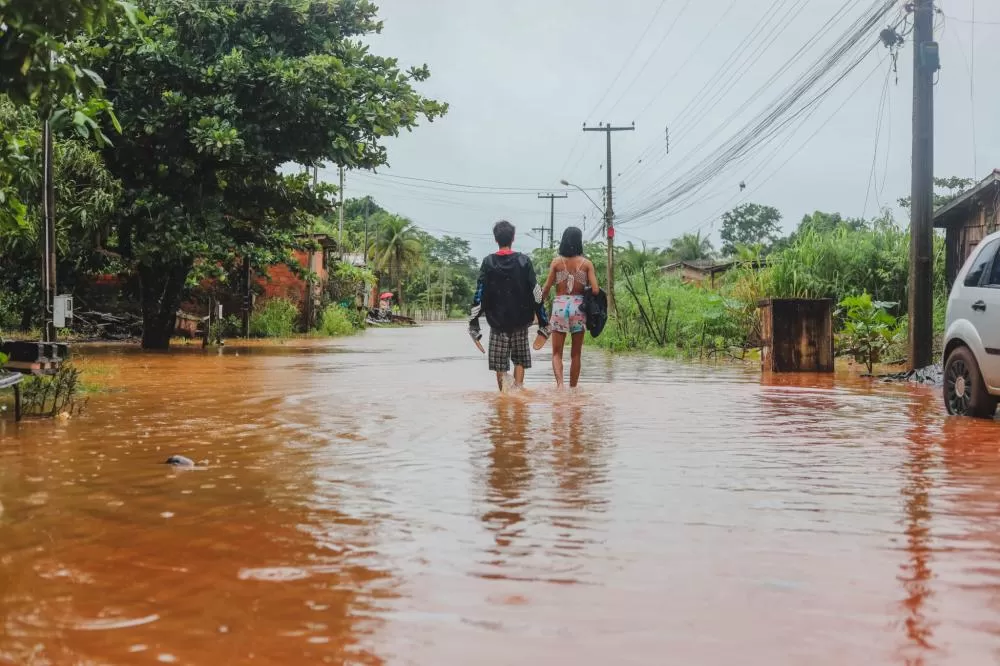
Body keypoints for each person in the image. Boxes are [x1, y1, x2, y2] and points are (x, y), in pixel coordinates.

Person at [469, 220, 550, 391]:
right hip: (520, 322)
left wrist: (473, 323)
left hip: (498, 324)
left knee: (500, 364)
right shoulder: (524, 261)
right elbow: (536, 292)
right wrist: (543, 323)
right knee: (519, 360)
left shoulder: (488, 262)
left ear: (495, 239)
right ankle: (518, 392)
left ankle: (504, 401)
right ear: (513, 238)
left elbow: (479, 293)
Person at [541, 227, 599, 388]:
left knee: (556, 353)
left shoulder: (556, 263)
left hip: (559, 306)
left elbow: (546, 288)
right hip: (578, 307)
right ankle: (573, 389)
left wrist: (537, 307)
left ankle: (560, 386)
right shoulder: (587, 264)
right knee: (576, 354)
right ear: (579, 242)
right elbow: (595, 289)